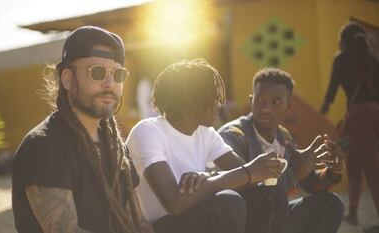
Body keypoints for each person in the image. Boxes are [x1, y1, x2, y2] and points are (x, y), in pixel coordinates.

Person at [126, 59, 311, 233]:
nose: (220, 104)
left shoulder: (205, 134)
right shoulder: (149, 131)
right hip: (160, 226)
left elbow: (247, 178)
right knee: (228, 203)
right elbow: (175, 204)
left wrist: (211, 177)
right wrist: (245, 173)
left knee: (270, 196)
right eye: (215, 96)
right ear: (195, 100)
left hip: (200, 216)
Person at [12, 26, 152, 233]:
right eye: (97, 72)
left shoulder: (116, 148)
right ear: (67, 79)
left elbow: (137, 221)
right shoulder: (44, 147)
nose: (109, 83)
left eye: (118, 74)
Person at [219, 68, 345, 233]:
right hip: (241, 221)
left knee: (331, 204)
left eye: (275, 101)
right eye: (259, 100)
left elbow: (309, 183)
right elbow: (243, 187)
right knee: (272, 196)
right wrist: (295, 174)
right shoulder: (233, 135)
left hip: (274, 219)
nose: (265, 108)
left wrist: (333, 172)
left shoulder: (283, 137)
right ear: (251, 101)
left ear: (289, 105)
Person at [320, 22, 379, 229]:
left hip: (359, 115)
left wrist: (325, 107)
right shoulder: (371, 60)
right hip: (374, 112)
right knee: (354, 163)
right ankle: (353, 213)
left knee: (372, 170)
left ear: (343, 42)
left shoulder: (341, 59)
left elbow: (332, 88)